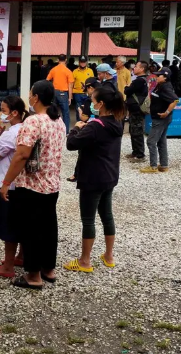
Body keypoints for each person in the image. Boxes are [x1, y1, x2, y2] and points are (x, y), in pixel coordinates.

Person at [0, 80, 66, 290]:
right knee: (48, 228)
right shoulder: (58, 120)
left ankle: (34, 275)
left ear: (36, 97)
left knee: (31, 230)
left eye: (30, 93)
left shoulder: (34, 121)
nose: (29, 96)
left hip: (32, 184)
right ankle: (48, 269)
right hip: (52, 183)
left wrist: (7, 182)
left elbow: (21, 154)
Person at [64, 86, 125, 273]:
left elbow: (71, 144)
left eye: (93, 100)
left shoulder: (95, 126)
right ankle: (108, 256)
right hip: (110, 175)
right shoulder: (117, 121)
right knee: (107, 215)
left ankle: (85, 261)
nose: (91, 102)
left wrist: (76, 128)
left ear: (101, 104)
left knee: (88, 219)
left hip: (93, 177)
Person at [0, 96, 28, 278]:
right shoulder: (25, 129)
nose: (0, 114)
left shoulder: (12, 133)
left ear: (14, 113)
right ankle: (22, 256)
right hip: (23, 184)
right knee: (21, 222)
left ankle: (8, 266)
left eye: (3, 110)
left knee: (9, 226)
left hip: (6, 183)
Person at [141, 68, 179, 174]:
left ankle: (153, 166)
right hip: (160, 118)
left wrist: (166, 112)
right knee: (161, 141)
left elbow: (175, 100)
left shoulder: (166, 87)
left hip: (161, 118)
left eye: (159, 75)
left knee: (151, 141)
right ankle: (163, 165)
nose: (156, 77)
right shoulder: (160, 85)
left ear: (165, 77)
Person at [67, 77, 100, 182]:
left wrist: (80, 112)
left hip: (88, 128)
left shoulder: (88, 100)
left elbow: (84, 118)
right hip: (101, 128)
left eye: (87, 89)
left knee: (83, 153)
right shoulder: (104, 97)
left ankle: (77, 174)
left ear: (90, 88)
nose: (87, 92)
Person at [124, 60, 150, 162]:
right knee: (133, 130)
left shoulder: (139, 81)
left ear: (142, 69)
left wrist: (127, 87)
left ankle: (140, 154)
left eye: (136, 67)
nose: (134, 68)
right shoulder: (141, 80)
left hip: (137, 110)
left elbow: (128, 90)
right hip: (134, 110)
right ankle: (135, 151)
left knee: (137, 131)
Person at [46, 54, 75, 133]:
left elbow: (47, 80)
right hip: (63, 93)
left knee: (52, 111)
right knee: (65, 113)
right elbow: (70, 85)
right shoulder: (68, 71)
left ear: (58, 60)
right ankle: (65, 131)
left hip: (54, 92)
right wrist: (70, 97)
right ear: (66, 60)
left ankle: (52, 130)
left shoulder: (53, 69)